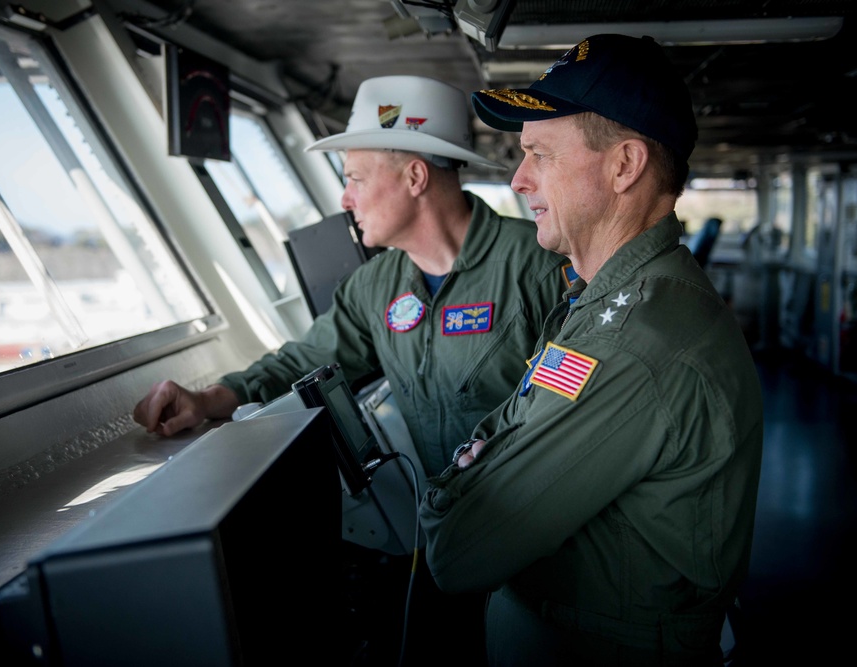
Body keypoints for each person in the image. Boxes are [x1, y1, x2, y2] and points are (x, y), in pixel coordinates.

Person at [133, 75, 576, 665]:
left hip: (545, 542)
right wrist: (212, 396)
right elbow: (305, 358)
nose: (345, 199)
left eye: (356, 179)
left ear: (415, 178)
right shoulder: (377, 287)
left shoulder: (538, 264)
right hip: (447, 536)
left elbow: (580, 401)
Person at [418, 34, 764, 666]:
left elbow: (457, 552)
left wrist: (448, 493)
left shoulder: (632, 339)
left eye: (540, 154)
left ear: (624, 165)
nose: (518, 179)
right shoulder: (611, 300)